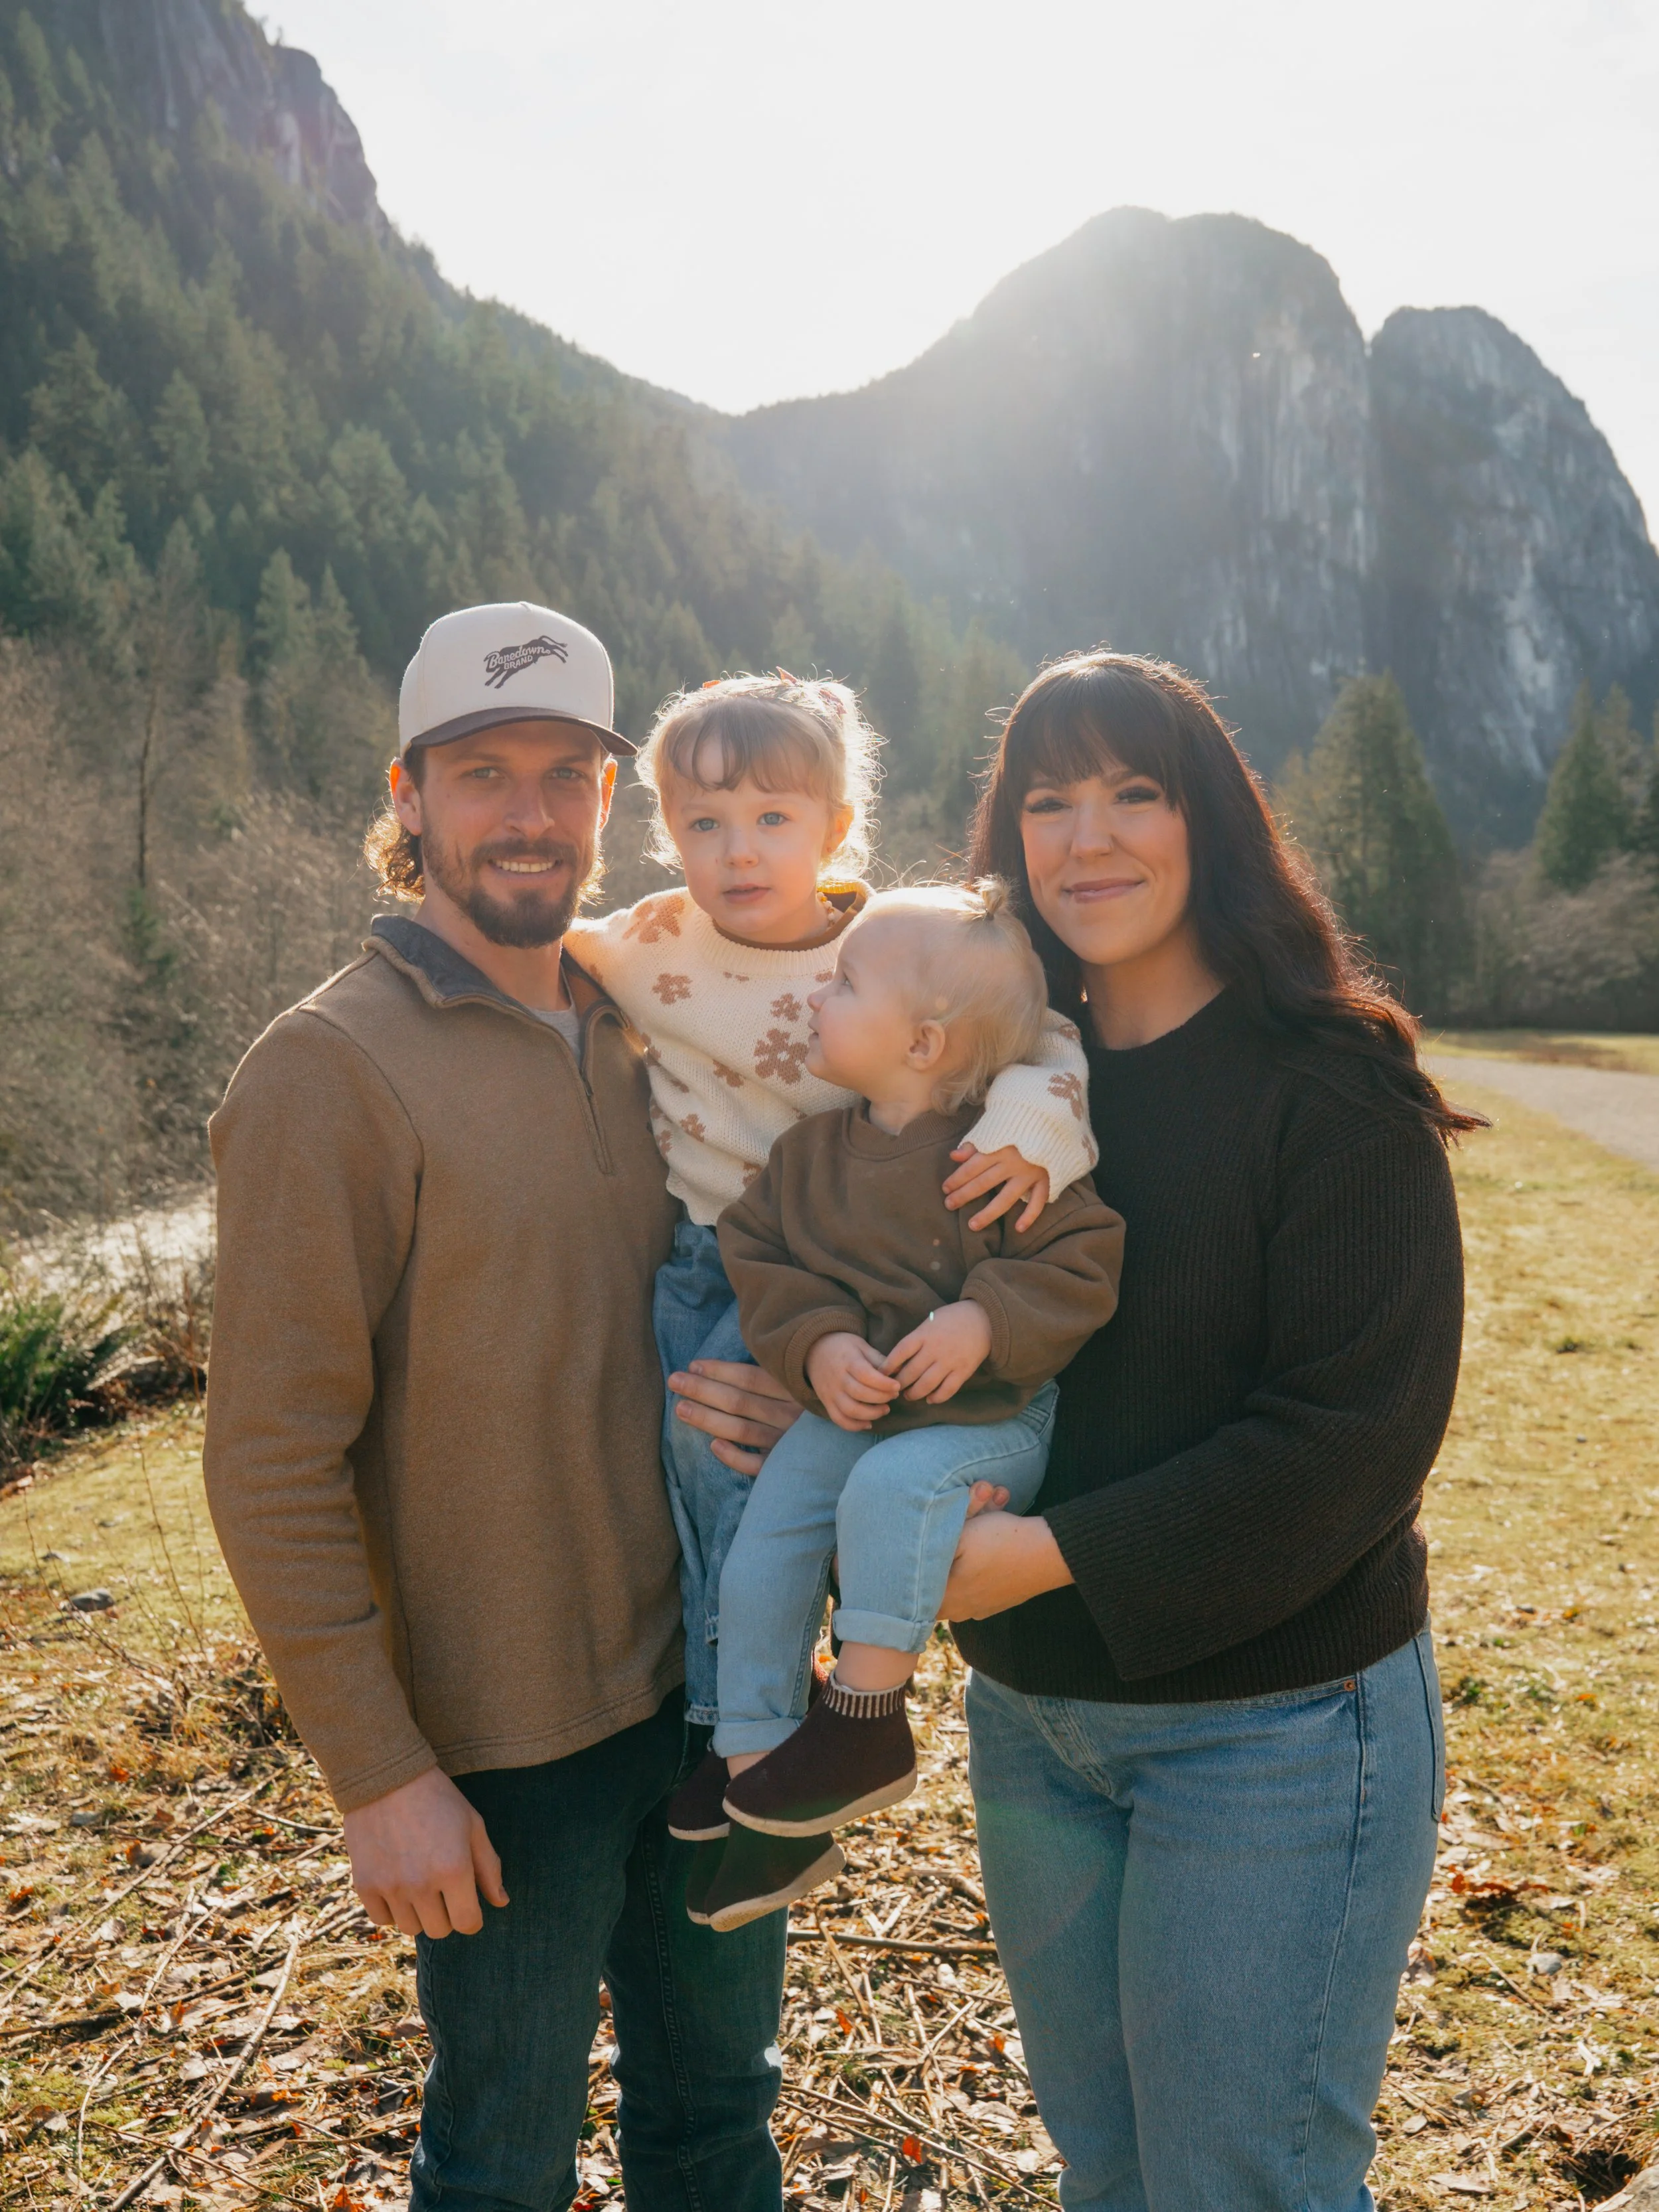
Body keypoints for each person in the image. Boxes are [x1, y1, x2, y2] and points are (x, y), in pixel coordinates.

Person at [204, 602, 805, 2212]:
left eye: (563, 772)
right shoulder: (324, 1068)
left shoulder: (651, 1018)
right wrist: (376, 1774)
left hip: (708, 1699)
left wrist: (789, 1390)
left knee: (717, 2123)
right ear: (408, 796)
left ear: (609, 800)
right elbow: (267, 1463)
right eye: (482, 771)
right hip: (494, 1756)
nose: (527, 812)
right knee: (502, 2157)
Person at [939, 651, 1477, 2212]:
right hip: (1037, 1725)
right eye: (1045, 800)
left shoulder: (1330, 1086)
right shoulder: (992, 1082)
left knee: (1238, 2183)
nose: (1084, 835)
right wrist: (763, 1376)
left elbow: (1350, 1437)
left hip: (1274, 1728)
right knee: (1110, 2176)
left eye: (1131, 791)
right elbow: (872, 1284)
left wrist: (1038, 1555)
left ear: (1211, 825)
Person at [565, 676, 1096, 1739]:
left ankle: (750, 1718)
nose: (740, 853)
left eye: (773, 819)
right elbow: (538, 951)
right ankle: (732, 1707)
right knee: (700, 1464)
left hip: (869, 1262)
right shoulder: (647, 942)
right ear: (667, 833)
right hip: (723, 1257)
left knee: (770, 1468)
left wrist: (1035, 1124)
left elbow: (1032, 1037)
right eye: (704, 824)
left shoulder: (891, 944)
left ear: (838, 829)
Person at [668, 883, 1123, 1933]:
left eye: (843, 984)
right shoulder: (811, 1157)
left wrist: (984, 1320)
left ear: (923, 1043)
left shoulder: (1002, 1155)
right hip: (853, 1413)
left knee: (887, 1486)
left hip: (985, 1427)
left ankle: (866, 1721)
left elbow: (1083, 1261)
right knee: (767, 1544)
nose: (813, 1001)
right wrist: (817, 1344)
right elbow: (763, 1258)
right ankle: (756, 1767)